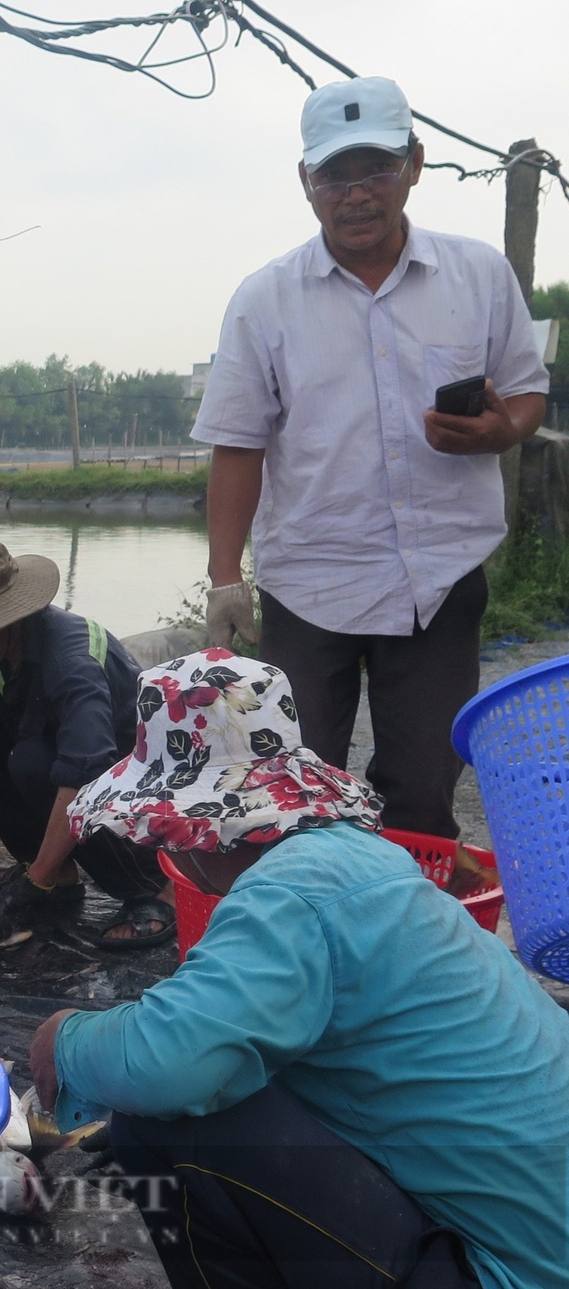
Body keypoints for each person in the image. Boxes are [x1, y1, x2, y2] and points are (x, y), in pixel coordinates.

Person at [31, 649, 569, 1289]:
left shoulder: (293, 890)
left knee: (164, 1119)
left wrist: (62, 1041)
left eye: (162, 835)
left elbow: (171, 1063)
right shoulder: (363, 859)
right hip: (538, 1267)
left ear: (196, 829)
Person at [193, 75, 549, 843]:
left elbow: (526, 395)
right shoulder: (265, 299)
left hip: (441, 578)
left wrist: (496, 432)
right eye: (335, 176)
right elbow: (238, 443)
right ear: (306, 183)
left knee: (422, 792)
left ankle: (407, 944)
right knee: (293, 794)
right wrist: (226, 576)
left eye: (376, 170)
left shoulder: (480, 274)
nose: (356, 194)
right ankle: (315, 943)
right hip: (309, 583)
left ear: (415, 164)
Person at [0, 537, 173, 948]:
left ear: (6, 617)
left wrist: (36, 881)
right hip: (64, 773)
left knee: (33, 761)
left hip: (140, 793)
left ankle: (153, 887)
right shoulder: (0, 650)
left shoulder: (72, 662)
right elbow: (14, 740)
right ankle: (59, 875)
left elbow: (85, 770)